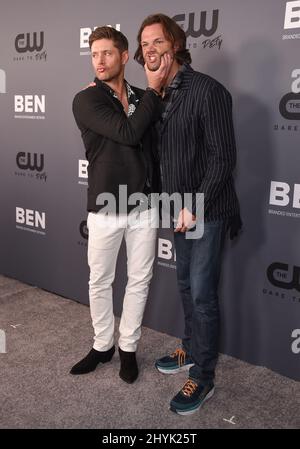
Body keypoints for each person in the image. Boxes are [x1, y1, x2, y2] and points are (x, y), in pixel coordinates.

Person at [134, 14, 242, 414]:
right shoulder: (157, 95)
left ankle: (205, 377)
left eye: (157, 42)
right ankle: (191, 350)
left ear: (176, 44)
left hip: (206, 209)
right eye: (144, 45)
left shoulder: (208, 90)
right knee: (184, 285)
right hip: (177, 211)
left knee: (201, 294)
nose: (150, 50)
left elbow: (222, 157)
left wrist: (194, 204)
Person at [71, 26, 171, 383]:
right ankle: (102, 346)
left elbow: (154, 150)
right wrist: (154, 94)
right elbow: (129, 134)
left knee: (139, 279)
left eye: (107, 53)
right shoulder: (86, 100)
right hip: (105, 206)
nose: (99, 61)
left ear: (124, 56)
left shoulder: (144, 97)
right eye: (94, 54)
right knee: (100, 280)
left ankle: (128, 347)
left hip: (144, 205)